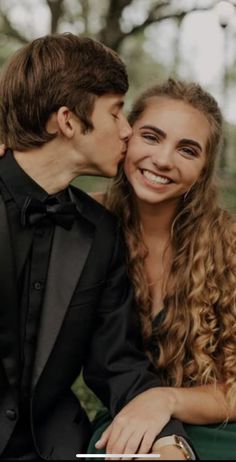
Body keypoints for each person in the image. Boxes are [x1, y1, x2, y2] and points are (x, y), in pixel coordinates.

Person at [0, 36, 196, 460]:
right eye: (116, 112)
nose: (127, 131)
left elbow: (117, 363)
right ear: (68, 121)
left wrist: (169, 441)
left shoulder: (101, 232)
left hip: (52, 445)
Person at [88, 78, 236, 460]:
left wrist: (166, 399)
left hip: (217, 425)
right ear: (126, 137)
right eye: (151, 137)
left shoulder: (230, 242)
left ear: (204, 169)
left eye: (187, 150)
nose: (164, 159)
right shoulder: (83, 222)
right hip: (127, 417)